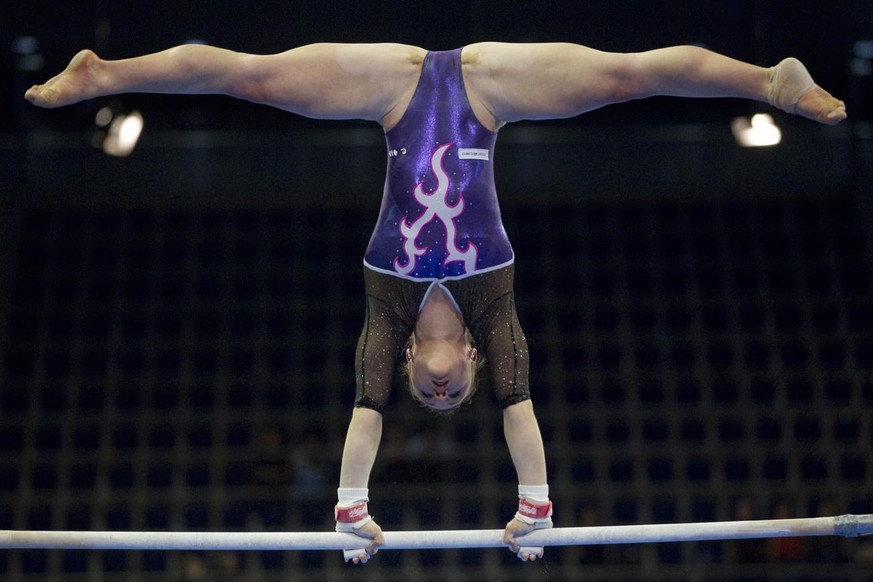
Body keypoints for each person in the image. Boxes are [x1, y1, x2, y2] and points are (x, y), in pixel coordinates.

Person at [25, 40, 846, 564]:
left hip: (389, 90)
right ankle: (768, 81)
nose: (443, 391)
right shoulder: (496, 311)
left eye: (430, 389)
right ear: (473, 363)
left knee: (252, 78)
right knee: (626, 78)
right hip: (488, 92)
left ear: (414, 362)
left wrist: (352, 507)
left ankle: (107, 74)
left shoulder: (385, 315)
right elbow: (518, 410)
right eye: (455, 395)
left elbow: (365, 413)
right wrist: (534, 506)